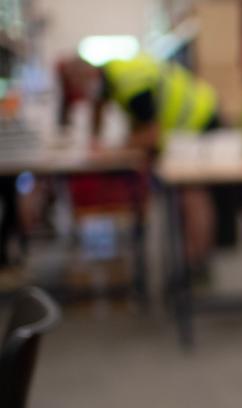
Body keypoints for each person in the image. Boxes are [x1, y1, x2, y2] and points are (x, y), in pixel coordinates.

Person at [58, 53, 221, 267]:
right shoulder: (107, 78)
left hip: (198, 118)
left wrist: (114, 149)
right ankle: (189, 263)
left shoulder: (129, 84)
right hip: (181, 128)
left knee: (193, 193)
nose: (81, 94)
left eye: (79, 86)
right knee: (183, 194)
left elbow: (151, 135)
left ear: (88, 74)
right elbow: (98, 107)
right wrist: (94, 142)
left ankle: (198, 262)